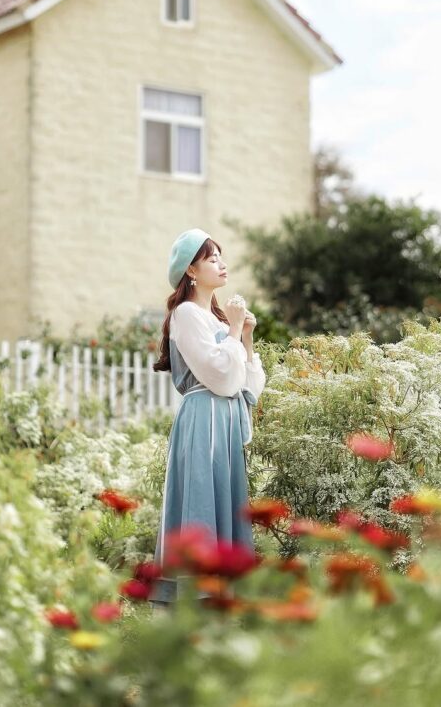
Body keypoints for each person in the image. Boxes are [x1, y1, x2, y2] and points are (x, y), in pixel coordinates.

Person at [148, 228, 267, 608]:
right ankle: (195, 601)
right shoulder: (186, 315)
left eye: (220, 256)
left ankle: (221, 596)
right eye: (211, 258)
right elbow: (218, 375)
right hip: (204, 421)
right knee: (201, 501)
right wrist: (233, 329)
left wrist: (244, 337)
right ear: (191, 271)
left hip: (227, 423)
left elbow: (248, 386)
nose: (222, 263)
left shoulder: (216, 321)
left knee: (224, 502)